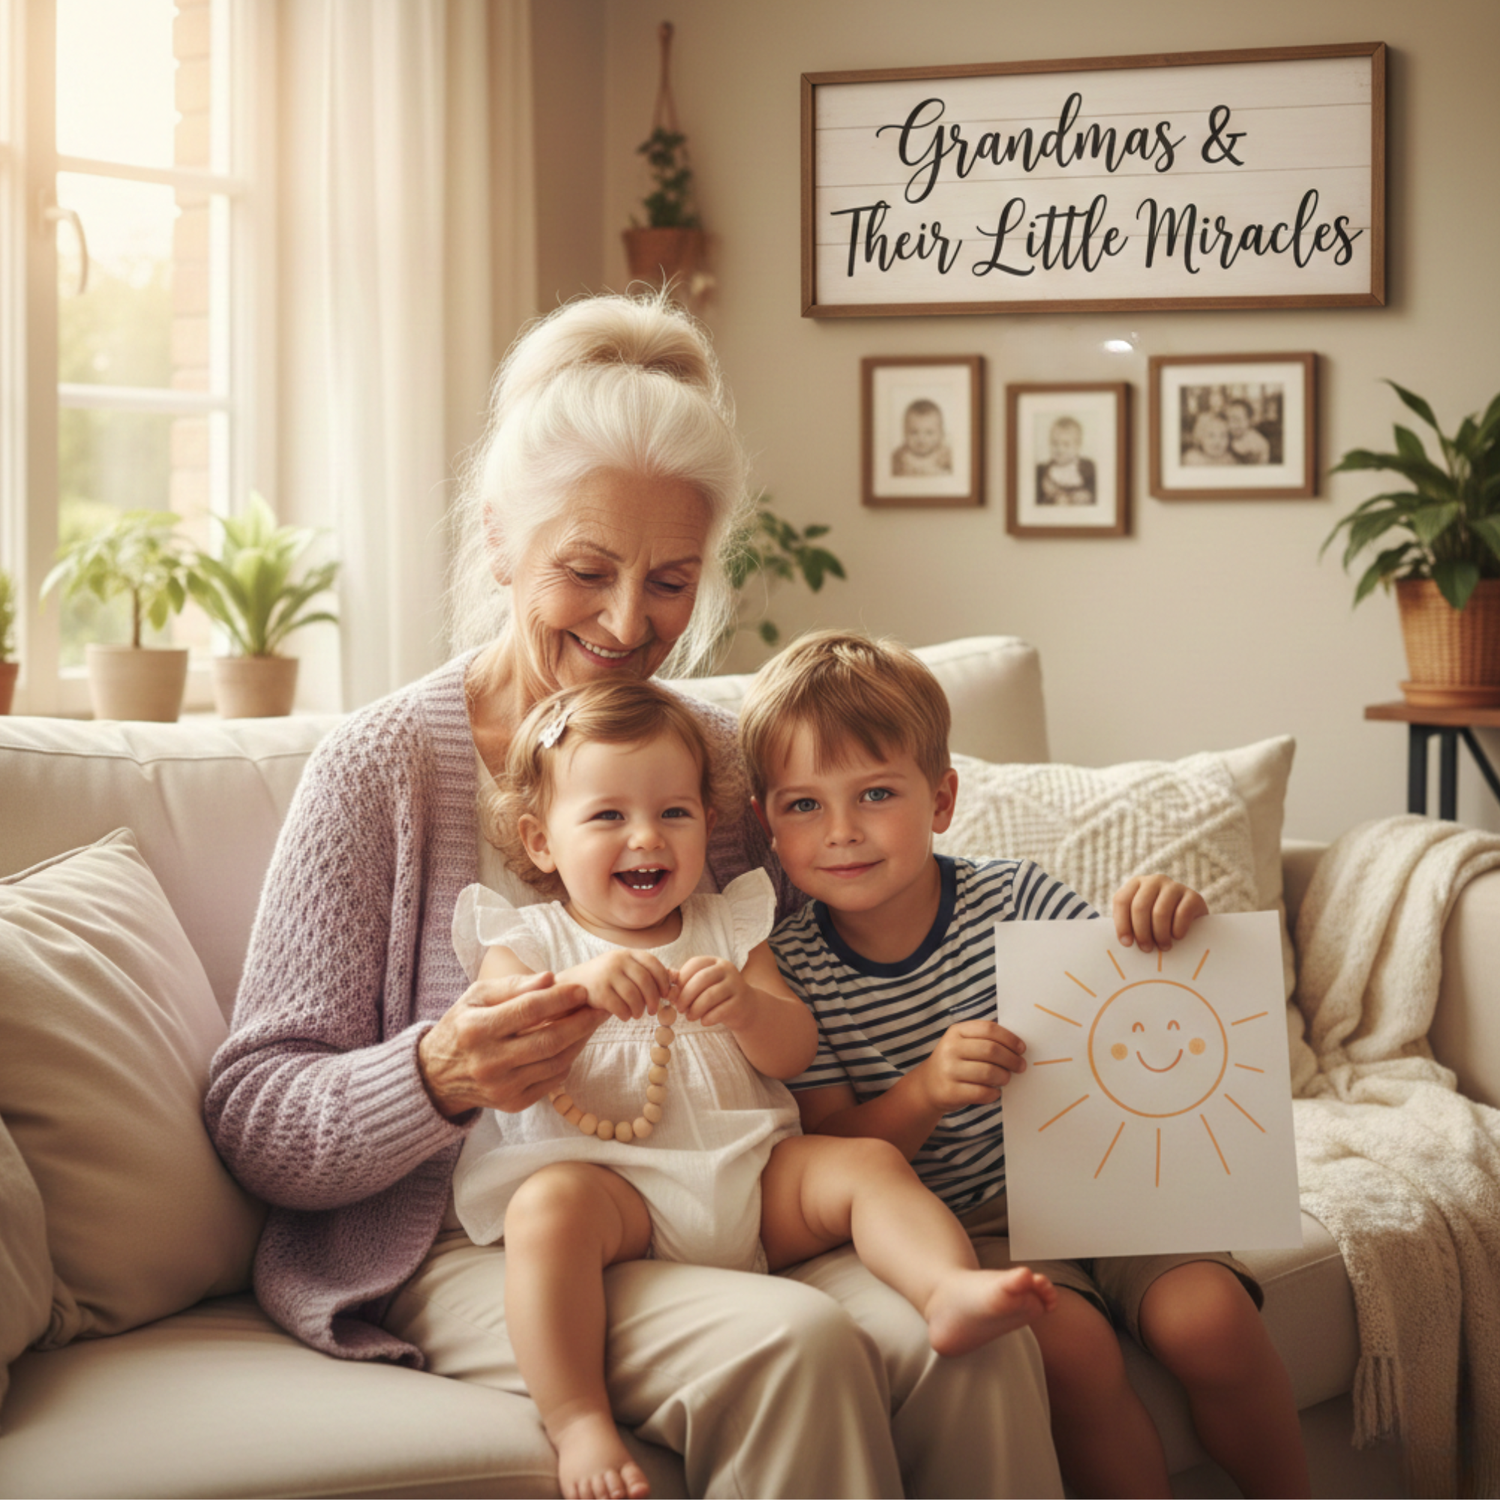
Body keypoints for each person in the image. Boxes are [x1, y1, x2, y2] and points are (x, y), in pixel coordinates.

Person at [204, 292, 1065, 1500]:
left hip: (728, 1187)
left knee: (968, 1351)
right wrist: (440, 1073)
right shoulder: (384, 765)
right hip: (493, 1236)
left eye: (669, 580)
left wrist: (1110, 930)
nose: (626, 623)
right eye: (586, 571)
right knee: (796, 1347)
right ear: (500, 540)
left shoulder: (711, 759)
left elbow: (880, 922)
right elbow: (256, 1115)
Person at [739, 631, 1311, 1500]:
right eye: (804, 806)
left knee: (1212, 1321)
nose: (842, 832)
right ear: (765, 824)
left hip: (1107, 1184)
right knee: (1070, 1355)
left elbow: (1142, 1002)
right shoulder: (790, 969)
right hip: (963, 1223)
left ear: (941, 800)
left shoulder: (1020, 899)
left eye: (876, 794)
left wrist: (1169, 917)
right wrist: (926, 1090)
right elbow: (834, 1142)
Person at [454, 677, 1057, 1499]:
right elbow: (498, 1060)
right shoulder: (524, 937)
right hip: (617, 1199)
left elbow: (795, 1048)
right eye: (607, 817)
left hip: (750, 1179)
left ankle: (944, 1287)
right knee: (545, 1213)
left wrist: (746, 1007)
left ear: (710, 825)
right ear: (541, 840)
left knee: (869, 1166)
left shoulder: (732, 924)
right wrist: (580, 993)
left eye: (675, 813)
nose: (647, 838)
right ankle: (576, 1418)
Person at [1035, 415, 1097, 505]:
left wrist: (1087, 495)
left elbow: (1097, 492)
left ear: (1077, 446)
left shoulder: (1088, 467)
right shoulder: (1042, 471)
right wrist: (1051, 497)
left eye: (1066, 444)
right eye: (1054, 443)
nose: (1060, 449)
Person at [891, 398, 953, 476]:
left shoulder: (945, 455)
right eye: (914, 432)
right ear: (905, 433)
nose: (921, 438)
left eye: (929, 433)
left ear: (941, 434)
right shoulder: (899, 457)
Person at [1226, 398, 1273, 464]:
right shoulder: (1225, 438)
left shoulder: (1259, 443)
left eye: (1238, 420)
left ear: (1249, 420)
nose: (1234, 425)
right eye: (1230, 420)